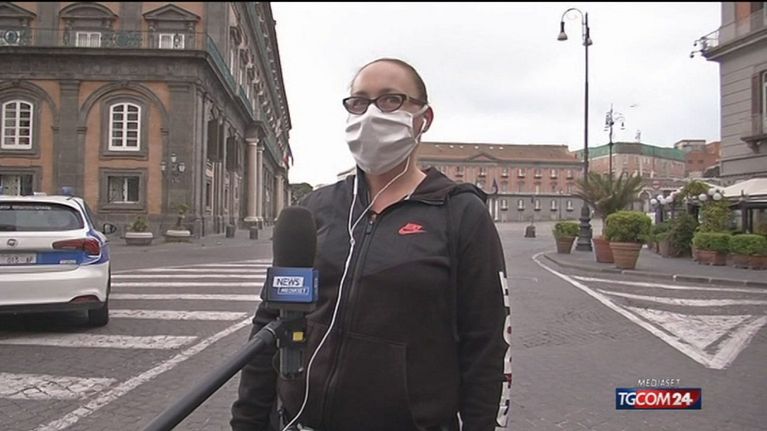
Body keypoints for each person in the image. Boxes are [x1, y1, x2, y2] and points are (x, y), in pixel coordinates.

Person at [231, 58, 511, 431]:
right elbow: (271, 321)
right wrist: (247, 421)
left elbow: (488, 347)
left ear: (423, 118)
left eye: (391, 100)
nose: (371, 114)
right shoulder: (315, 209)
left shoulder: (460, 214)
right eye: (359, 102)